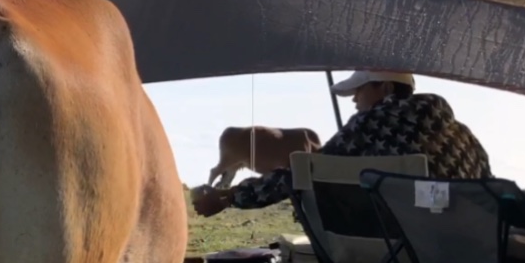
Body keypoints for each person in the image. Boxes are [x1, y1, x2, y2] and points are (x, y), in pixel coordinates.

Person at [192, 70, 492, 217]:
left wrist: (230, 197)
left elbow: (304, 173)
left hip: (402, 250)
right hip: (470, 251)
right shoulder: (464, 136)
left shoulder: (372, 123)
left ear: (385, 88)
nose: (354, 101)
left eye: (358, 91)